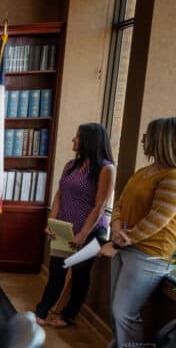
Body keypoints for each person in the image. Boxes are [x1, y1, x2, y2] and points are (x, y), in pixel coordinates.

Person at [86, 117, 176, 348]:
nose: (143, 140)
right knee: (117, 313)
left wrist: (126, 237)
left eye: (147, 135)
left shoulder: (172, 176)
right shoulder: (144, 172)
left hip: (149, 254)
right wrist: (116, 229)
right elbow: (122, 203)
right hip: (127, 247)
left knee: (124, 311)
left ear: (161, 140)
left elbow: (158, 218)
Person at [36, 123, 116, 328]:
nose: (73, 140)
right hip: (64, 229)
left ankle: (68, 315)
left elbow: (101, 205)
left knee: (80, 273)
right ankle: (41, 312)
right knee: (57, 271)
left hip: (91, 232)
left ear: (90, 141)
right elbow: (59, 194)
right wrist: (51, 223)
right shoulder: (71, 165)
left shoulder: (106, 169)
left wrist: (83, 234)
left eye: (78, 137)